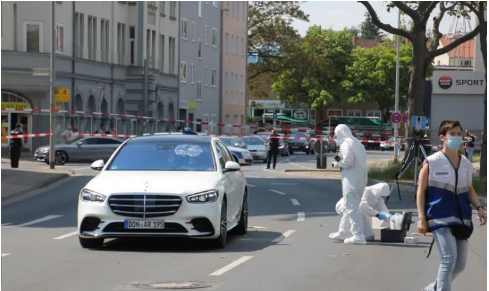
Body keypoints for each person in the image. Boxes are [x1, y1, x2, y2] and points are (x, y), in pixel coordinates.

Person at [417, 120, 486, 291]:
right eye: (452, 134)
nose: (456, 137)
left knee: (460, 265)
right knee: (448, 260)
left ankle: (431, 289)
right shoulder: (431, 162)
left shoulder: (466, 165)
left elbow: (469, 189)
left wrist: (479, 207)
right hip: (439, 217)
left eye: (458, 134)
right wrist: (422, 218)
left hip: (461, 218)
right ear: (442, 137)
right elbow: (420, 192)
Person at [329, 124, 368, 244]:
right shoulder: (357, 143)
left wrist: (337, 163)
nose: (336, 137)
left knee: (351, 208)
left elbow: (348, 161)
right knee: (348, 206)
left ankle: (358, 235)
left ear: (341, 133)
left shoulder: (346, 144)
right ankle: (343, 232)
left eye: (336, 134)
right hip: (361, 179)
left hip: (351, 179)